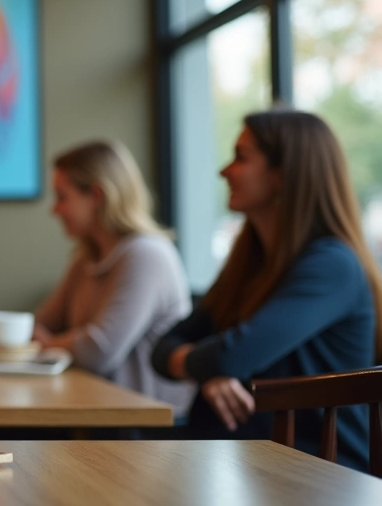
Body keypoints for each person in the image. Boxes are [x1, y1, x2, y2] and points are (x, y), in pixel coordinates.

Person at [152, 110, 381, 472]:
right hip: (242, 464)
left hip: (317, 475)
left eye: (241, 157)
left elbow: (231, 357)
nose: (223, 171)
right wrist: (208, 371)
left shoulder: (331, 265)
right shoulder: (250, 263)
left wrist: (207, 368)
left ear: (282, 174)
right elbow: (163, 345)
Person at [0, 141, 195, 413]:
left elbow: (98, 352)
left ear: (97, 195)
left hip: (141, 425)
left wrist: (35, 347)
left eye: (62, 197)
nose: (55, 210)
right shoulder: (87, 258)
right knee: (4, 435)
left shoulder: (147, 255)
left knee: (8, 438)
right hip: (93, 410)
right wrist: (5, 343)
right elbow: (43, 323)